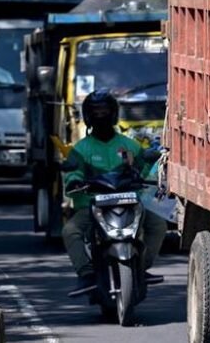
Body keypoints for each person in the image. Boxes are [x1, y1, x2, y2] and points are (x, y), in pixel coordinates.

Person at [64, 89, 168, 297]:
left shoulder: (128, 145)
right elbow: (72, 173)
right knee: (70, 231)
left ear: (113, 114)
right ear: (87, 115)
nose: (100, 115)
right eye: (95, 111)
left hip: (129, 202)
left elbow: (142, 169)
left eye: (104, 111)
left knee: (158, 225)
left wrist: (150, 163)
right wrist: (74, 181)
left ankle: (142, 266)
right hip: (94, 205)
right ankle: (86, 274)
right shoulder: (81, 148)